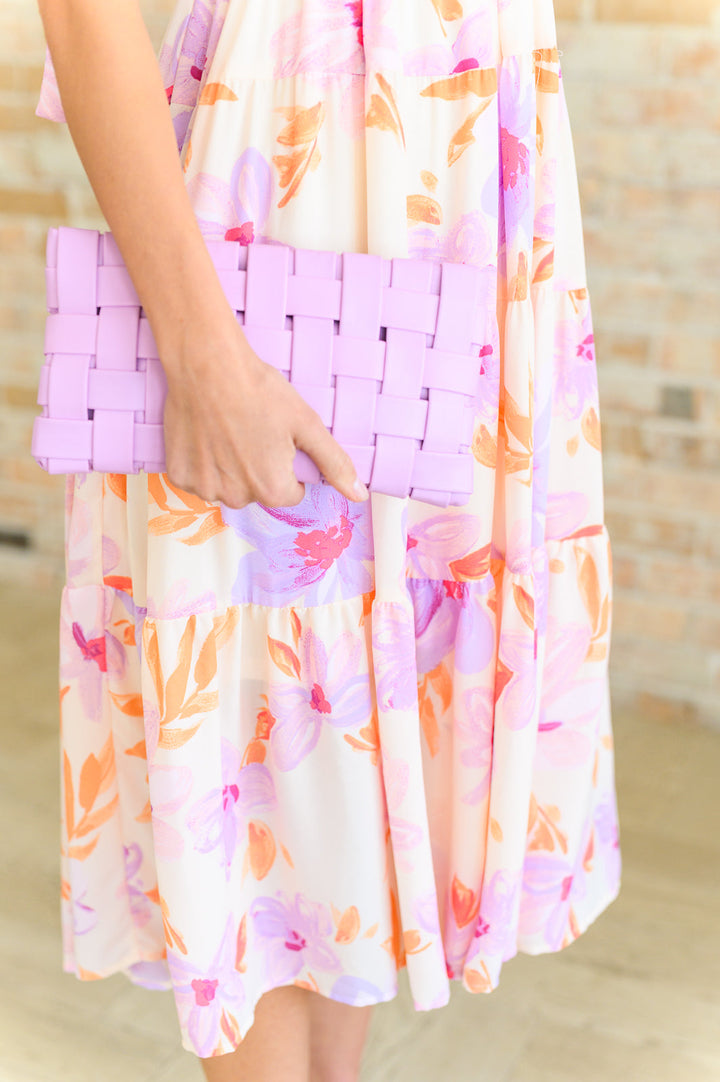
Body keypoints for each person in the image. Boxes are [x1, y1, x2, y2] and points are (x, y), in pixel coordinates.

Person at [34, 1, 622, 1079]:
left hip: (473, 189)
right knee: (268, 725)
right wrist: (203, 354)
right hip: (285, 184)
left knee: (368, 764)